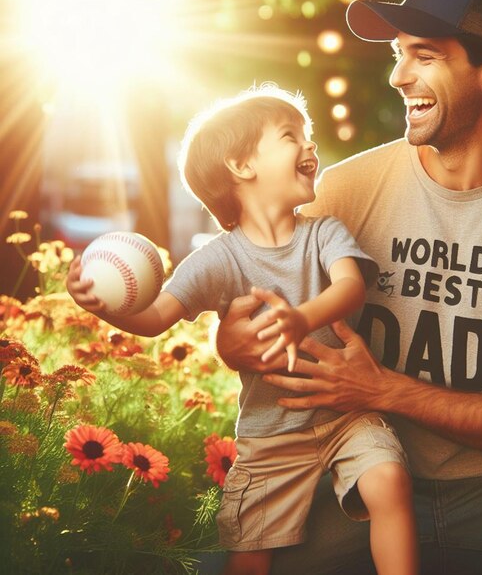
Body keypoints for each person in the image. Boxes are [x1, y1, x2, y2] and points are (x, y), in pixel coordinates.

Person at [215, 0, 482, 575]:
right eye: (399, 54)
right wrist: (235, 339)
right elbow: (246, 310)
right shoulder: (343, 189)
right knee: (194, 560)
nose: (397, 75)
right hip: (344, 474)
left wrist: (383, 388)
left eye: (424, 55)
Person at [66, 84, 419, 575]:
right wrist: (104, 309)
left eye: (308, 135)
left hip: (345, 418)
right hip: (270, 435)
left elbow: (350, 287)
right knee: (250, 554)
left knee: (388, 481)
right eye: (291, 136)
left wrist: (302, 318)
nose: (310, 146)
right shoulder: (217, 260)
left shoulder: (324, 233)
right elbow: (155, 318)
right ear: (241, 165)